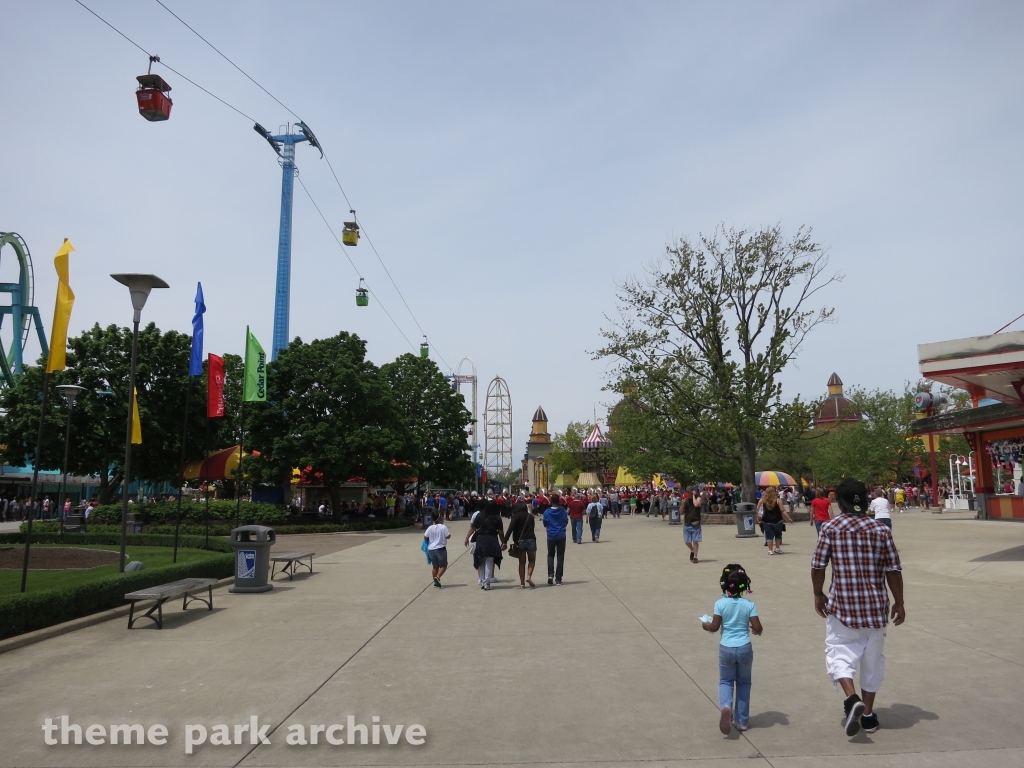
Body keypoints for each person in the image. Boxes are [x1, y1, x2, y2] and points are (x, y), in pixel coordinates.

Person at [811, 477, 905, 737]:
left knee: (839, 654)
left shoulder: (831, 528)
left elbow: (818, 566)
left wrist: (819, 594)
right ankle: (868, 717)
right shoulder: (881, 530)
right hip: (875, 609)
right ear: (866, 501)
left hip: (843, 607)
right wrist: (899, 601)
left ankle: (852, 699)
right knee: (872, 663)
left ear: (839, 503)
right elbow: (893, 571)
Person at [702, 564, 762, 734]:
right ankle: (742, 721)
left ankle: (726, 707)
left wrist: (705, 625)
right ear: (744, 585)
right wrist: (756, 630)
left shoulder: (720, 604)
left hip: (726, 648)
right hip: (744, 647)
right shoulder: (749, 604)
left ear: (724, 584)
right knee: (744, 682)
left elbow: (714, 627)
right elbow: (758, 627)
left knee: (726, 681)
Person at [465, 501, 506, 590]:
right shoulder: (497, 518)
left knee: (481, 561)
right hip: (491, 540)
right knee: (489, 561)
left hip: (480, 540)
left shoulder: (480, 515)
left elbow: (473, 528)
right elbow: (500, 532)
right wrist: (503, 542)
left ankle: (482, 581)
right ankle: (487, 583)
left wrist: (466, 538)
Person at [507, 497, 537, 588]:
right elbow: (532, 528)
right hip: (531, 539)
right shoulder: (530, 517)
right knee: (532, 560)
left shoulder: (515, 516)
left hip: (520, 541)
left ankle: (522, 583)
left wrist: (505, 541)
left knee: (522, 562)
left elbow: (510, 529)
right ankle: (529, 576)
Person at [542, 493, 568, 585]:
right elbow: (566, 521)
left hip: (551, 535)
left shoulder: (547, 512)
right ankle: (558, 579)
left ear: (551, 501)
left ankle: (550, 575)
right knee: (560, 556)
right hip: (561, 534)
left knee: (550, 555)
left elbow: (544, 523)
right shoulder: (563, 511)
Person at [758, 487, 794, 555]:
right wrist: (788, 518)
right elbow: (783, 511)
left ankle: (770, 550)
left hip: (766, 520)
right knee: (778, 534)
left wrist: (759, 517)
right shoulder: (778, 500)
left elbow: (759, 510)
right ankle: (777, 548)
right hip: (777, 520)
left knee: (768, 535)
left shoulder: (762, 500)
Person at [423, 517, 451, 588]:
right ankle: (437, 577)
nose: (443, 520)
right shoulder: (443, 527)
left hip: (431, 549)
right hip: (440, 549)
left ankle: (435, 582)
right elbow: (448, 536)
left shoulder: (430, 527)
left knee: (435, 566)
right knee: (443, 566)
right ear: (439, 520)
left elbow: (425, 536)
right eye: (442, 519)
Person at [682, 493, 703, 563]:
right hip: (687, 523)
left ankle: (695, 557)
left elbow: (696, 504)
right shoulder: (686, 501)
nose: (690, 493)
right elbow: (681, 512)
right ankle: (692, 550)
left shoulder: (698, 498)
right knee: (687, 541)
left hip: (695, 523)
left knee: (695, 541)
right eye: (688, 492)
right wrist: (682, 504)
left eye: (691, 491)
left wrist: (694, 496)